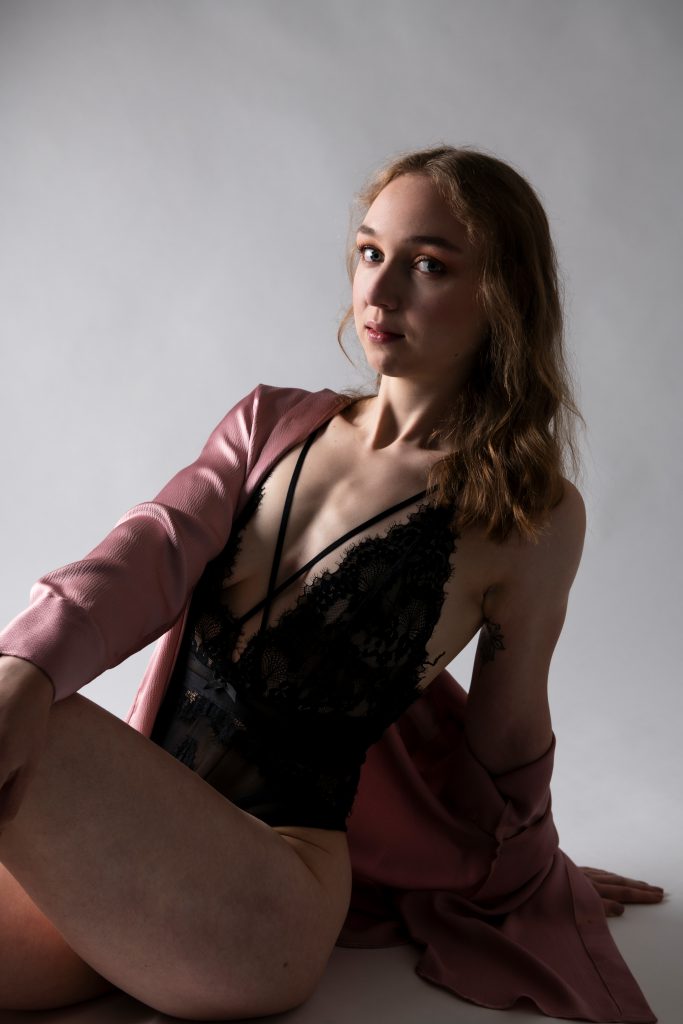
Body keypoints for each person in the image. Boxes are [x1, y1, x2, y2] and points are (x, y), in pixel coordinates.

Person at [0, 146, 663, 1020]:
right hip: (136, 845)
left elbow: (505, 733)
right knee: (22, 691)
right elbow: (149, 551)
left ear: (503, 293)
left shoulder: (523, 514)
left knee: (38, 720)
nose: (377, 291)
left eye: (428, 265)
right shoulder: (269, 422)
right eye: (369, 252)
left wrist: (535, 870)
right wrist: (26, 665)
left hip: (264, 896)